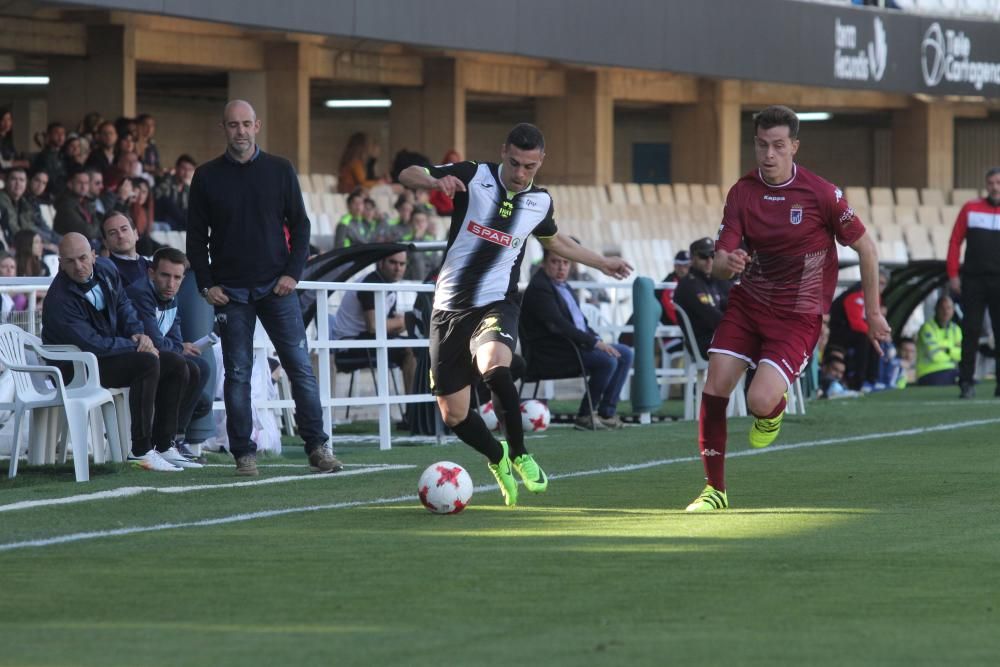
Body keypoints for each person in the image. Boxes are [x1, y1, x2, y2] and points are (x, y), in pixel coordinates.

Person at [399, 122, 632, 506]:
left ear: (541, 162)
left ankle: (521, 452)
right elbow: (408, 174)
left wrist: (602, 262)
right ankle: (498, 456)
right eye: (514, 163)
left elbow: (554, 240)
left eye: (530, 167)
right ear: (503, 151)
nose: (521, 174)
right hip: (449, 308)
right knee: (454, 415)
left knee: (495, 365)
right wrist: (432, 183)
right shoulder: (474, 175)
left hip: (497, 302)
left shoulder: (540, 202)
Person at [684, 105, 890, 512]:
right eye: (762, 145)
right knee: (716, 383)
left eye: (778, 145)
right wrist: (729, 264)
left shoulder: (822, 194)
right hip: (748, 304)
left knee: (760, 400)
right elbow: (723, 260)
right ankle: (715, 490)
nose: (769, 155)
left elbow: (866, 247)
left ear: (794, 146)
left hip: (798, 314)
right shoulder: (742, 192)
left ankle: (772, 410)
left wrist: (874, 313)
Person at [187, 99, 343, 476]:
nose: (239, 131)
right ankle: (243, 453)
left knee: (300, 368)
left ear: (257, 126)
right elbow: (195, 237)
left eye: (246, 124)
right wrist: (206, 285)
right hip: (231, 292)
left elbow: (302, 227)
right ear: (223, 128)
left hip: (278, 288)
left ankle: (317, 448)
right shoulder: (206, 177)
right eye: (232, 125)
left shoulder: (280, 170)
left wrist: (293, 273)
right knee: (237, 374)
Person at [42, 233, 201, 471]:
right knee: (147, 363)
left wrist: (139, 333)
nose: (78, 266)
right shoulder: (59, 298)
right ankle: (140, 450)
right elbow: (92, 344)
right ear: (60, 263)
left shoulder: (106, 269)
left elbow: (124, 306)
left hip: (107, 356)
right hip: (75, 368)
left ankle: (164, 445)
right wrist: (135, 344)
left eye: (83, 258)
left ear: (94, 256)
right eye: (70, 261)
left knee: (180, 364)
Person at [521, 248, 634, 430]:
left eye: (566, 263)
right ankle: (584, 416)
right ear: (544, 263)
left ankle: (607, 413)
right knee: (607, 361)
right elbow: (558, 324)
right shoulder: (540, 288)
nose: (561, 268)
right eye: (555, 262)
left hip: (572, 347)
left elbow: (579, 321)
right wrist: (595, 343)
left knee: (625, 353)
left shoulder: (564, 286)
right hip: (551, 354)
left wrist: (595, 338)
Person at [126, 247, 212, 460]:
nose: (171, 283)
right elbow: (155, 341)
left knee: (201, 367)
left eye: (177, 278)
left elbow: (173, 338)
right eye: (165, 275)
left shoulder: (171, 296)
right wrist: (179, 347)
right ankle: (163, 441)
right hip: (136, 358)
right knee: (185, 364)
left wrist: (179, 347)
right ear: (151, 273)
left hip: (159, 358)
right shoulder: (141, 293)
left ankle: (173, 438)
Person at [947, 166, 1000, 399]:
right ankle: (966, 382)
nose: (995, 187)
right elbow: (955, 242)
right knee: (970, 331)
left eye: (998, 183)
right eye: (991, 183)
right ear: (986, 185)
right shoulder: (970, 208)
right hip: (973, 280)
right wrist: (953, 274)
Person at [330, 250, 417, 394]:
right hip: (348, 346)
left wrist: (400, 323)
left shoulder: (389, 284)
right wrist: (404, 321)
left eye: (402, 264)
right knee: (411, 349)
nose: (398, 268)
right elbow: (374, 326)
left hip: (367, 341)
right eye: (393, 262)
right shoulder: (371, 282)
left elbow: (388, 327)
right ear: (380, 263)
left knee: (417, 346)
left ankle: (417, 409)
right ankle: (415, 411)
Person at [673, 237, 725, 358]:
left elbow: (728, 304)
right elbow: (712, 317)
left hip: (716, 338)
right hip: (703, 343)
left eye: (712, 255)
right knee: (752, 345)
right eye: (703, 256)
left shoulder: (710, 281)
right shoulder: (690, 285)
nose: (709, 260)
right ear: (692, 259)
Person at [916, 295, 962, 386]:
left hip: (951, 370)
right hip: (929, 372)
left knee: (970, 381)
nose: (946, 312)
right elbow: (935, 355)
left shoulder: (955, 329)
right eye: (942, 308)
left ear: (953, 310)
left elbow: (961, 354)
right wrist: (953, 351)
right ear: (936, 309)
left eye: (949, 308)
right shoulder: (927, 328)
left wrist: (945, 349)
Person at [102, 212, 151, 286]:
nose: (120, 235)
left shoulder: (151, 265)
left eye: (124, 229)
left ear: (136, 234)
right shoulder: (107, 272)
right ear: (105, 243)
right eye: (113, 233)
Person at [154, 154, 196, 230]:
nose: (186, 173)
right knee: (165, 200)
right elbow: (159, 200)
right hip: (163, 220)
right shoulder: (166, 181)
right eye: (183, 168)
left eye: (190, 170)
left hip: (178, 223)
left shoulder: (187, 189)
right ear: (176, 168)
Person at [54, 170, 100, 240]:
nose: (83, 187)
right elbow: (88, 232)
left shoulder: (86, 202)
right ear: (70, 184)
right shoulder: (65, 204)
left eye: (86, 183)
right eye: (80, 183)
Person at [30, 122, 68, 196]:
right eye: (57, 133)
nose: (61, 136)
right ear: (49, 136)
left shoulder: (64, 155)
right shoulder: (43, 156)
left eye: (63, 134)